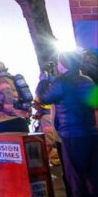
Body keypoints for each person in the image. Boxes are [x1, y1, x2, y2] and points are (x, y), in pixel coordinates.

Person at [36, 50, 98, 197]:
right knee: (93, 176)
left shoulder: (61, 82)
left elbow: (44, 98)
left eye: (59, 62)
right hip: (91, 133)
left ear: (64, 64)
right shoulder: (87, 80)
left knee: (76, 178)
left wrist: (43, 81)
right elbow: (95, 102)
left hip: (71, 136)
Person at [0, 60, 33, 132]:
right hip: (22, 114)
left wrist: (5, 112)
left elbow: (8, 96)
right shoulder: (11, 78)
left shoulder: (2, 80)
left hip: (12, 117)